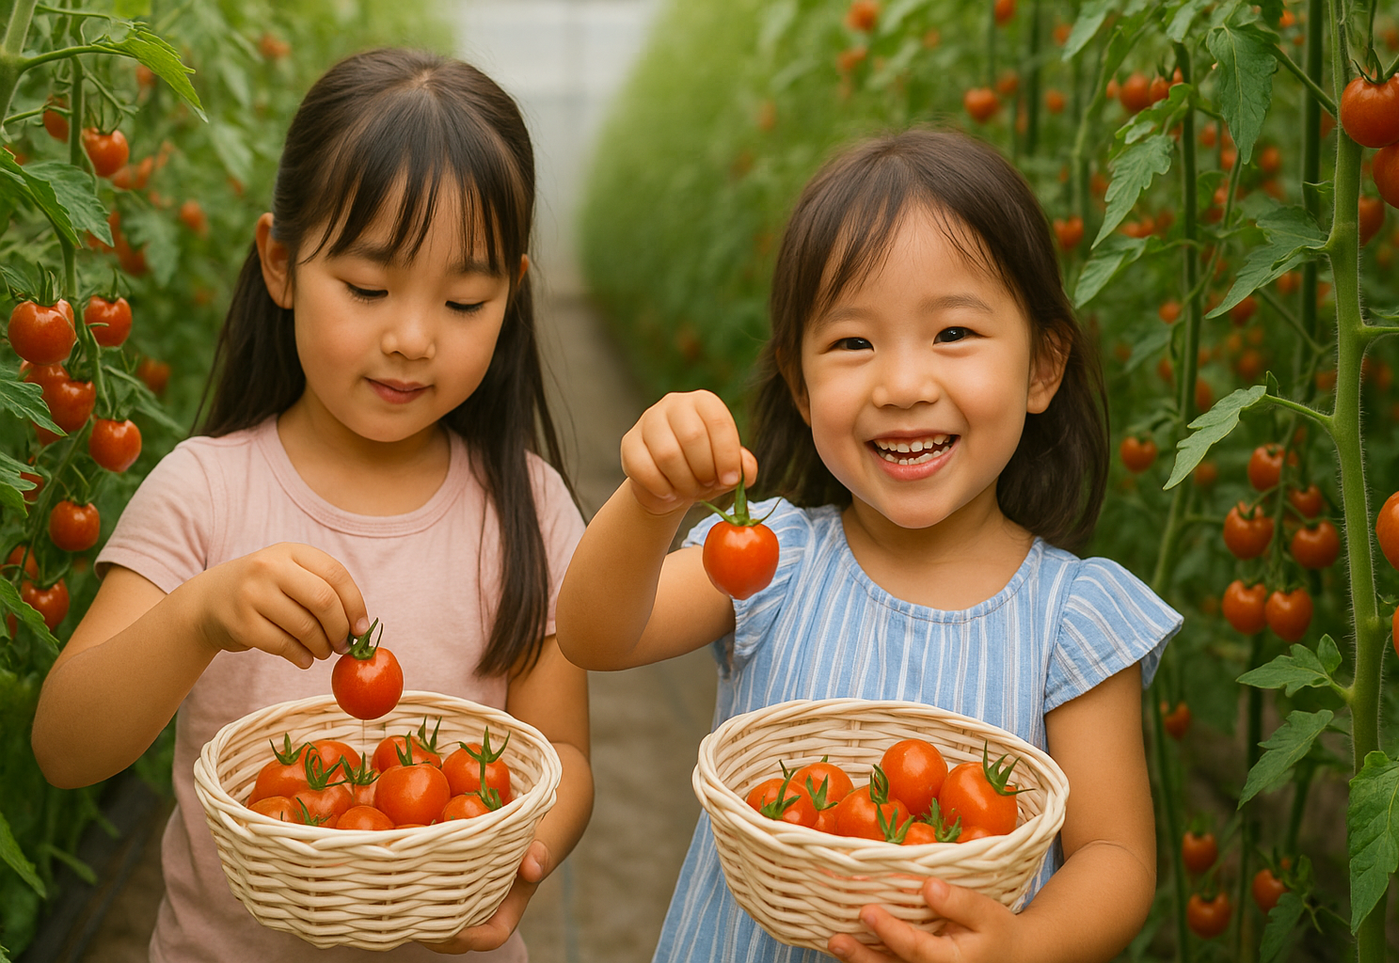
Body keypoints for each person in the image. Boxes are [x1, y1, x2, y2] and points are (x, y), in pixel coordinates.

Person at [555, 129, 1181, 963]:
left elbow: (1115, 856)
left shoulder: (1071, 617)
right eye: (853, 343)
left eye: (953, 333)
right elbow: (598, 634)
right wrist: (648, 500)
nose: (901, 385)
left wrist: (1023, 943)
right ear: (800, 382)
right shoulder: (769, 558)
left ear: (1042, 366)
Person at [30, 49, 592, 962]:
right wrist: (199, 614)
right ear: (280, 264)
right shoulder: (207, 490)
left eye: (463, 300)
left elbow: (562, 747)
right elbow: (66, 745)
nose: (411, 337)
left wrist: (522, 864)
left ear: (511, 298)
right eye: (367, 289)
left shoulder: (526, 504)